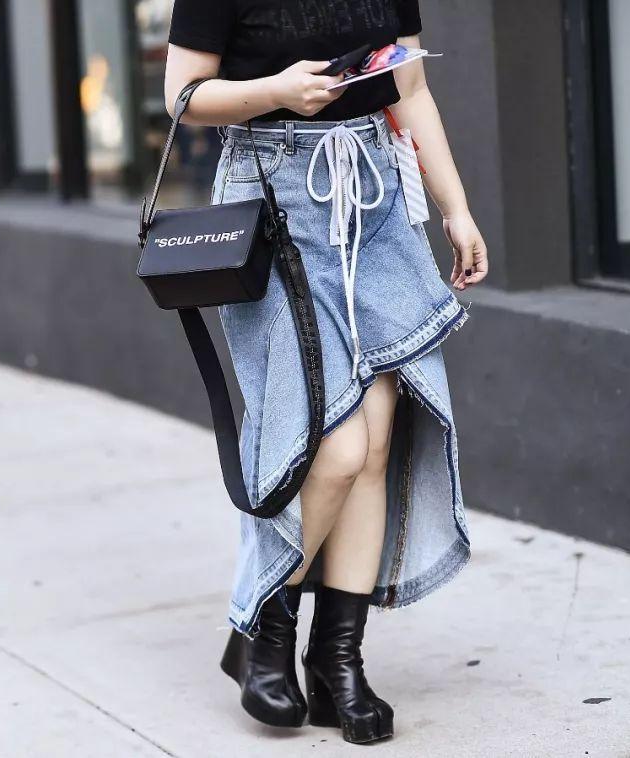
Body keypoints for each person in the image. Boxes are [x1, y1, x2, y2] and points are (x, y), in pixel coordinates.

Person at [164, 0, 488, 744]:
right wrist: (276, 91)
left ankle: (337, 662)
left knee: (375, 443)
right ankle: (261, 628)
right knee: (335, 449)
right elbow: (183, 96)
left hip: (372, 196)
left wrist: (456, 208)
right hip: (271, 199)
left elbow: (410, 85)